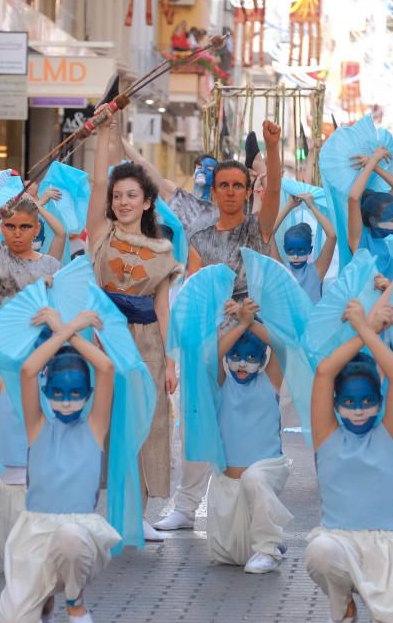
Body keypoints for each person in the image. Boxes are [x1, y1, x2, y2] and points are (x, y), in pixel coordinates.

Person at [155, 120, 283, 533]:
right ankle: (186, 505)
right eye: (223, 185)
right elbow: (192, 289)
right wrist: (183, 346)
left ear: (248, 191)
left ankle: (250, 508)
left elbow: (276, 192)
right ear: (213, 192)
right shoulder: (199, 235)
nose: (230, 192)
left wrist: (273, 147)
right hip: (210, 333)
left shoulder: (256, 228)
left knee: (245, 417)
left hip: (250, 331)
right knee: (196, 414)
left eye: (237, 186)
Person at [0, 308, 119, 623]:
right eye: (59, 395)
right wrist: (66, 330)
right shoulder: (37, 426)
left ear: (88, 395)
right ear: (47, 393)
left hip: (78, 535)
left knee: (69, 536)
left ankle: (75, 603)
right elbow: (29, 369)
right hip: (33, 535)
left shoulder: (95, 426)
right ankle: (44, 600)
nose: (66, 403)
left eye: (76, 394)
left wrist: (68, 329)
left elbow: (105, 368)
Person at [305, 300, 393, 623]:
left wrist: (365, 328)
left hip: (386, 549)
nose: (358, 411)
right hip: (338, 541)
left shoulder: (390, 435)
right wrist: (367, 329)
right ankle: (342, 608)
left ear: (380, 401)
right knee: (319, 551)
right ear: (335, 404)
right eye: (349, 403)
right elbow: (325, 372)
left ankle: (382, 610)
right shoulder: (326, 435)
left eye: (367, 401)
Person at [89, 108, 181, 542]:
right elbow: (96, 181)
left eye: (131, 196)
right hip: (102, 339)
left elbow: (163, 307)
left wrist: (169, 360)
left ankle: (138, 515)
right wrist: (107, 130)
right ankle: (106, 511)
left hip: (146, 341)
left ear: (146, 201)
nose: (122, 202)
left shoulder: (162, 248)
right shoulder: (100, 236)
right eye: (117, 195)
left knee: (147, 423)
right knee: (102, 421)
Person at [0, 156, 61, 528]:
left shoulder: (51, 266)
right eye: (10, 226)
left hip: (33, 359)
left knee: (32, 432)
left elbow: (59, 317)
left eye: (25, 226)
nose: (16, 233)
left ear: (37, 229)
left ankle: (31, 498)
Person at [206, 299, 290, 574]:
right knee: (226, 556)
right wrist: (238, 323)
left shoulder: (270, 380)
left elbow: (281, 345)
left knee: (254, 479)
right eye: (237, 356)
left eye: (252, 357)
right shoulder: (222, 383)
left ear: (263, 358)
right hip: (228, 483)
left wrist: (251, 322)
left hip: (265, 473)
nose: (243, 363)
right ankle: (271, 536)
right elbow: (212, 355)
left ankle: (268, 546)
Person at [347, 147, 393, 280]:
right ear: (373, 221)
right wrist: (373, 160)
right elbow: (354, 198)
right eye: (392, 219)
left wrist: (375, 167)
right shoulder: (361, 242)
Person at [271, 191, 337, 303]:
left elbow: (332, 236)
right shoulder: (282, 270)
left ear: (310, 250)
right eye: (290, 251)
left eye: (301, 251)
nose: (295, 256)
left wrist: (312, 206)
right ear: (284, 249)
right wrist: (289, 205)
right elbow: (269, 234)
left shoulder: (316, 271)